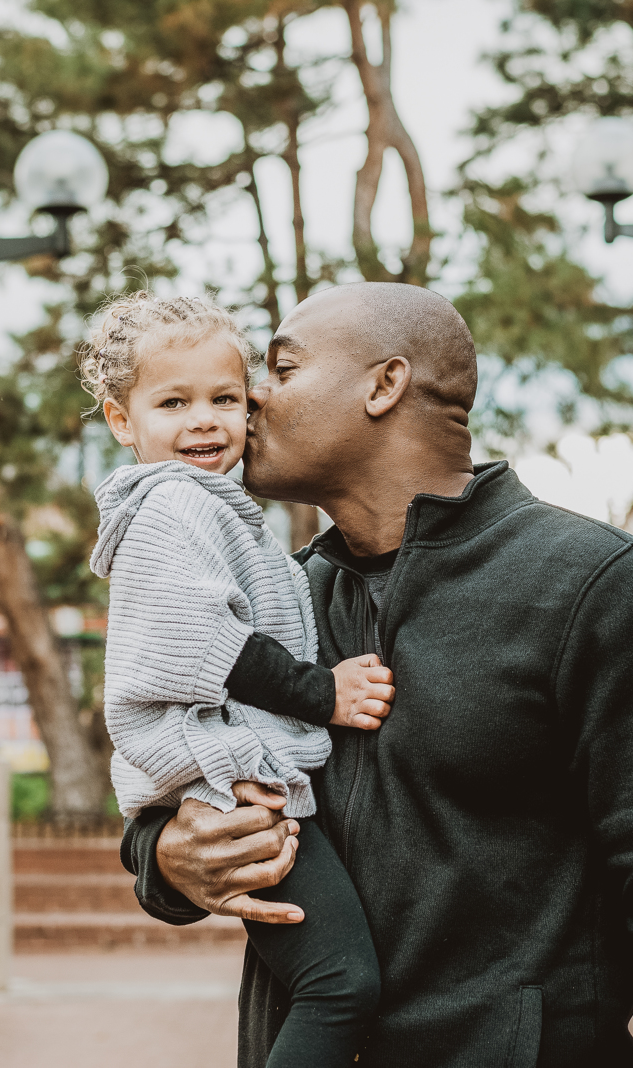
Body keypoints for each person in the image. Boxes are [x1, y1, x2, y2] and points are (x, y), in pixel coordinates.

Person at [121, 283, 633, 1066]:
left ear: (384, 385)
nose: (250, 398)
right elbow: (183, 774)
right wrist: (163, 859)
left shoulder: (599, 588)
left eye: (281, 369)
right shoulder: (282, 603)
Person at [82, 293, 393, 1068]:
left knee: (329, 980)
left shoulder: (214, 508)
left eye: (225, 399)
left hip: (225, 774)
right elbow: (205, 643)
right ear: (124, 422)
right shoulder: (175, 506)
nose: (204, 420)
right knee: (338, 983)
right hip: (231, 780)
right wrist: (325, 694)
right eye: (173, 401)